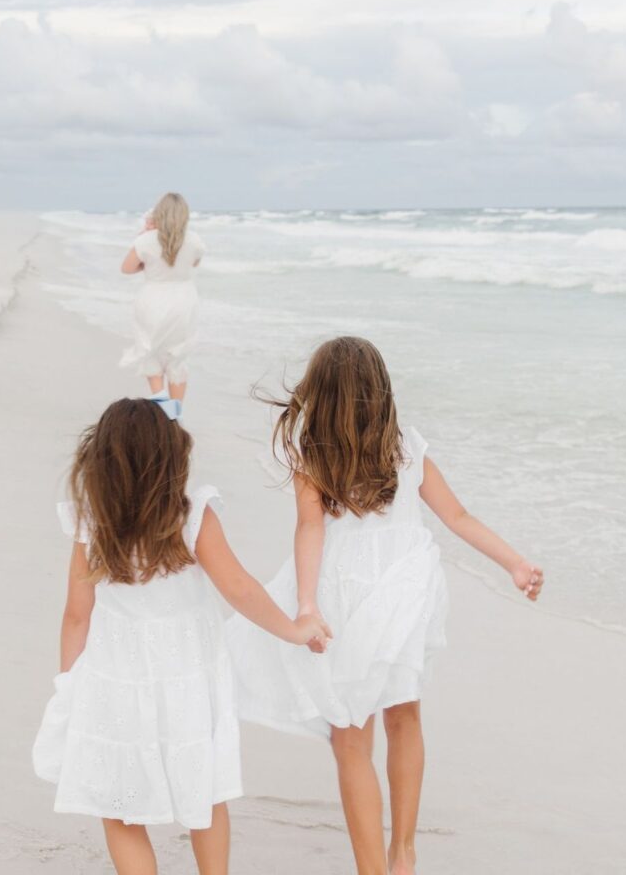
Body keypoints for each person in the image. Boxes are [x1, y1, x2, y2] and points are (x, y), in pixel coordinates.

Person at [225, 336, 544, 875]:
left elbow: (309, 530)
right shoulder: (407, 449)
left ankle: (374, 868)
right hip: (405, 593)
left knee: (350, 735)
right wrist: (513, 562)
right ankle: (404, 852)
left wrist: (307, 604)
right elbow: (458, 516)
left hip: (344, 594)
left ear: (320, 396)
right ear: (381, 392)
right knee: (405, 716)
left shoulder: (315, 456)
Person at [32, 395, 331, 875]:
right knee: (206, 793)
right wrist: (294, 630)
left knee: (120, 803)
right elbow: (239, 589)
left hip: (115, 681)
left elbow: (76, 614)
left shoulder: (93, 519)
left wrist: (69, 683)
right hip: (188, 679)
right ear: (170, 455)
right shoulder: (190, 514)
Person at [120, 192, 204, 401]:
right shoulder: (194, 240)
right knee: (177, 360)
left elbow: (127, 268)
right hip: (184, 301)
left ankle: (163, 415)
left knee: (152, 358)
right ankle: (176, 419)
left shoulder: (146, 240)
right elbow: (194, 263)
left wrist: (144, 234)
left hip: (153, 299)